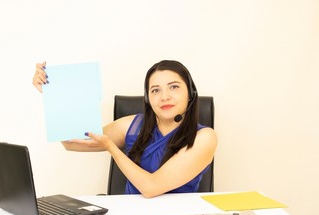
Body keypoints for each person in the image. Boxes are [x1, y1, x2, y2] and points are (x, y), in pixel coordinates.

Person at [32, 60, 217, 198]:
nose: (164, 96)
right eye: (155, 90)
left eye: (174, 87)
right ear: (148, 98)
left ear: (190, 94)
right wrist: (53, 94)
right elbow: (72, 142)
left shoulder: (205, 137)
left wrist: (112, 147)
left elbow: (151, 188)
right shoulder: (134, 125)